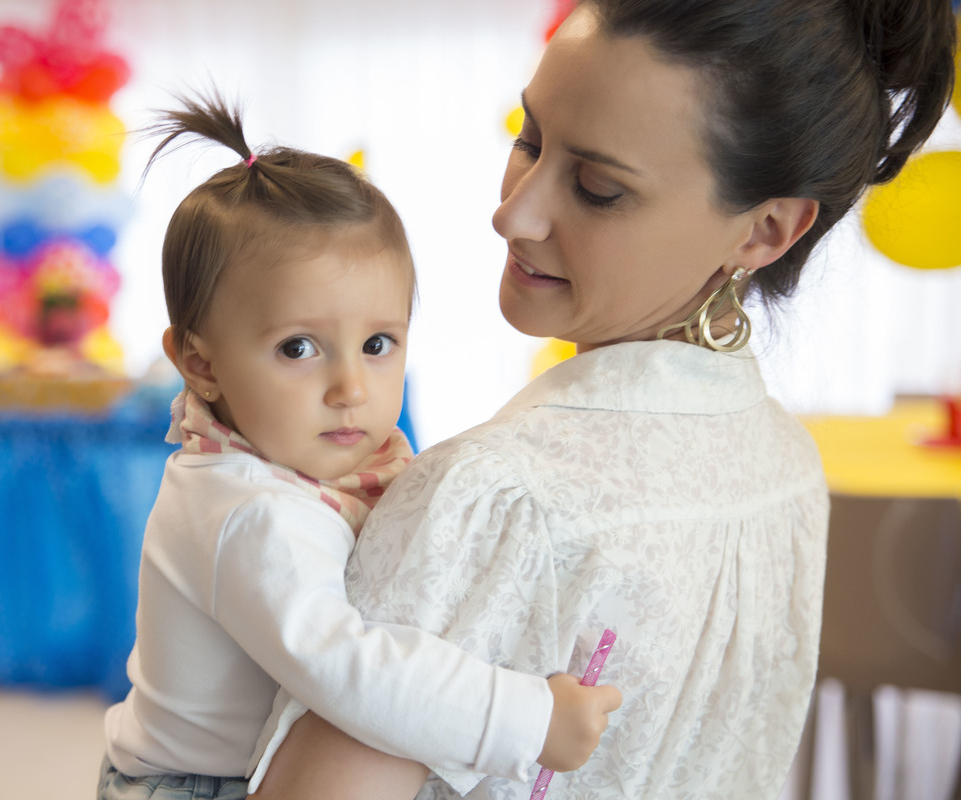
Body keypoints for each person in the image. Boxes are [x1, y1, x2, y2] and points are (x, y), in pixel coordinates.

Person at [249, 0, 958, 798]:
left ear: (764, 231)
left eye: (597, 188)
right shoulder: (789, 466)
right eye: (529, 140)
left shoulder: (497, 494)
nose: (512, 213)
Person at [98, 93, 622, 800]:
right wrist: (525, 720)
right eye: (298, 348)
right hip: (195, 785)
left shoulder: (317, 462)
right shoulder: (248, 511)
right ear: (201, 363)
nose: (350, 388)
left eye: (378, 344)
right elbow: (351, 668)